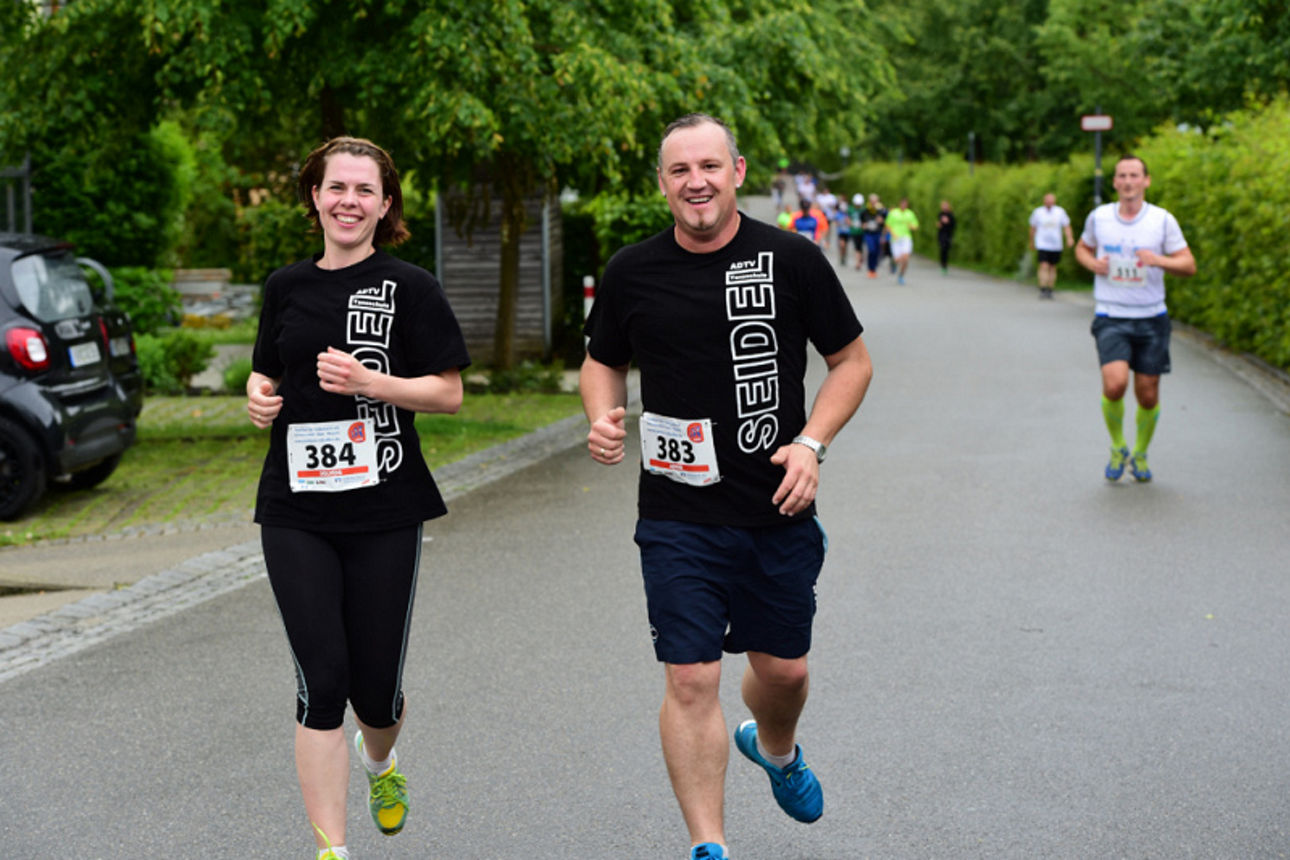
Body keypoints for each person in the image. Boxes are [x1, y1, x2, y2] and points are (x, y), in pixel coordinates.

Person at [580, 113, 872, 860]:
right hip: (677, 513)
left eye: (709, 166)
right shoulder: (630, 271)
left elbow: (852, 362)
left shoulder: (792, 259)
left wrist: (811, 444)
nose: (696, 182)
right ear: (662, 183)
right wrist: (602, 415)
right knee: (690, 678)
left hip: (777, 506)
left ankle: (774, 749)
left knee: (784, 672)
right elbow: (601, 359)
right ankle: (709, 846)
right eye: (679, 170)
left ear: (738, 172)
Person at [246, 136, 471, 860]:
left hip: (383, 507)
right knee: (322, 683)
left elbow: (448, 393)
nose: (348, 200)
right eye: (335, 187)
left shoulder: (411, 286)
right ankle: (332, 851)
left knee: (375, 693)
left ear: (385, 204)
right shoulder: (285, 286)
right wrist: (257, 397)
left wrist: (372, 383)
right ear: (314, 196)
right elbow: (265, 373)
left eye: (363, 190)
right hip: (296, 508)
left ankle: (381, 764)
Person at [1074, 154, 1195, 483]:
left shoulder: (1162, 220)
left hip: (1151, 318)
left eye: (1134, 176)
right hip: (1111, 314)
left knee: (1148, 393)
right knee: (1115, 385)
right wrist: (1091, 263)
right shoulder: (1099, 218)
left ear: (1146, 181)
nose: (1128, 182)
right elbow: (1082, 248)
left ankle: (1140, 453)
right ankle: (1118, 446)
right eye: (1122, 176)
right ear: (1114, 182)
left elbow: (1188, 264)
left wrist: (1158, 260)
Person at [1028, 192, 1075, 299]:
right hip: (1042, 244)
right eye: (1047, 200)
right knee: (1044, 265)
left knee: (1052, 267)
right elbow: (1033, 227)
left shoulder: (1060, 212)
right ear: (1044, 201)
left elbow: (1066, 226)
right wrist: (1031, 241)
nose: (1049, 202)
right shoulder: (1038, 212)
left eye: (1051, 200)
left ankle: (1050, 289)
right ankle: (1043, 288)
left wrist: (1069, 238)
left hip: (1056, 245)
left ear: (1054, 201)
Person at [884, 197, 919, 284]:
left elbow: (915, 225)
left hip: (906, 238)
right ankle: (893, 263)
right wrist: (893, 234)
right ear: (900, 204)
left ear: (907, 205)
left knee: (906, 258)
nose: (904, 205)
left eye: (905, 204)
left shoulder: (910, 214)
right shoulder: (894, 213)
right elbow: (887, 225)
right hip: (895, 239)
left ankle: (901, 276)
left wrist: (912, 226)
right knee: (898, 259)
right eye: (902, 204)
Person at [858, 193, 887, 278]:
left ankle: (874, 269)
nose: (874, 203)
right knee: (871, 250)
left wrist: (881, 221)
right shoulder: (865, 211)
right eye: (872, 201)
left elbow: (886, 220)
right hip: (868, 234)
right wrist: (864, 225)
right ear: (870, 201)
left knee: (876, 251)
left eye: (875, 201)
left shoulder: (881, 210)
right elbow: (861, 222)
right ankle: (870, 269)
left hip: (877, 233)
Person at [847, 193, 867, 270]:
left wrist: (864, 225)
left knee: (861, 247)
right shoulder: (851, 209)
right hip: (854, 231)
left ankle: (860, 259)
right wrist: (850, 223)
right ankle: (858, 262)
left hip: (862, 231)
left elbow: (866, 220)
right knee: (856, 247)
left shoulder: (864, 209)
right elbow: (848, 218)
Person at [936, 200, 956, 275]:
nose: (944, 207)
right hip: (941, 234)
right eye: (943, 205)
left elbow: (954, 225)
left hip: (948, 234)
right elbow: (939, 223)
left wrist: (948, 222)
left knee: (946, 250)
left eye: (946, 205)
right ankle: (943, 265)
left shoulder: (951, 215)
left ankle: (945, 265)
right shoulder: (940, 214)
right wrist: (939, 224)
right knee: (942, 249)